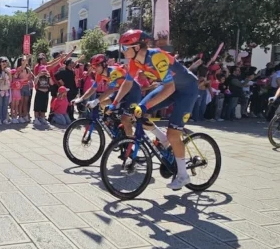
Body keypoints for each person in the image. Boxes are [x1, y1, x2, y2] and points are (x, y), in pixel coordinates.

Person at [119, 29, 199, 190]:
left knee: (174, 134)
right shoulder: (135, 62)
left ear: (137, 47)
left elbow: (169, 88)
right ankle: (163, 139)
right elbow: (127, 83)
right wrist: (115, 103)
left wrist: (145, 105)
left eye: (125, 47)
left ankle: (183, 175)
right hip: (169, 87)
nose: (122, 51)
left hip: (186, 90)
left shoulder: (157, 56)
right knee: (138, 113)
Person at [77, 54, 142, 138]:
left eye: (96, 66)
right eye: (93, 67)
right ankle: (115, 122)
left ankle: (130, 143)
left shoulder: (114, 72)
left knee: (125, 119)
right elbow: (93, 88)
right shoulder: (99, 74)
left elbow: (110, 90)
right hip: (120, 91)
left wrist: (96, 101)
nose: (94, 69)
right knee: (102, 103)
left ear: (104, 65)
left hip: (133, 92)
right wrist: (81, 98)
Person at [0, 57, 12, 126]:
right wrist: (1, 80)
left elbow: (10, 79)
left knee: (5, 105)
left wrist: (8, 72)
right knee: (0, 105)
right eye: (2, 61)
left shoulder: (8, 70)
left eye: (5, 61)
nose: (4, 62)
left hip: (6, 89)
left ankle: (4, 119)